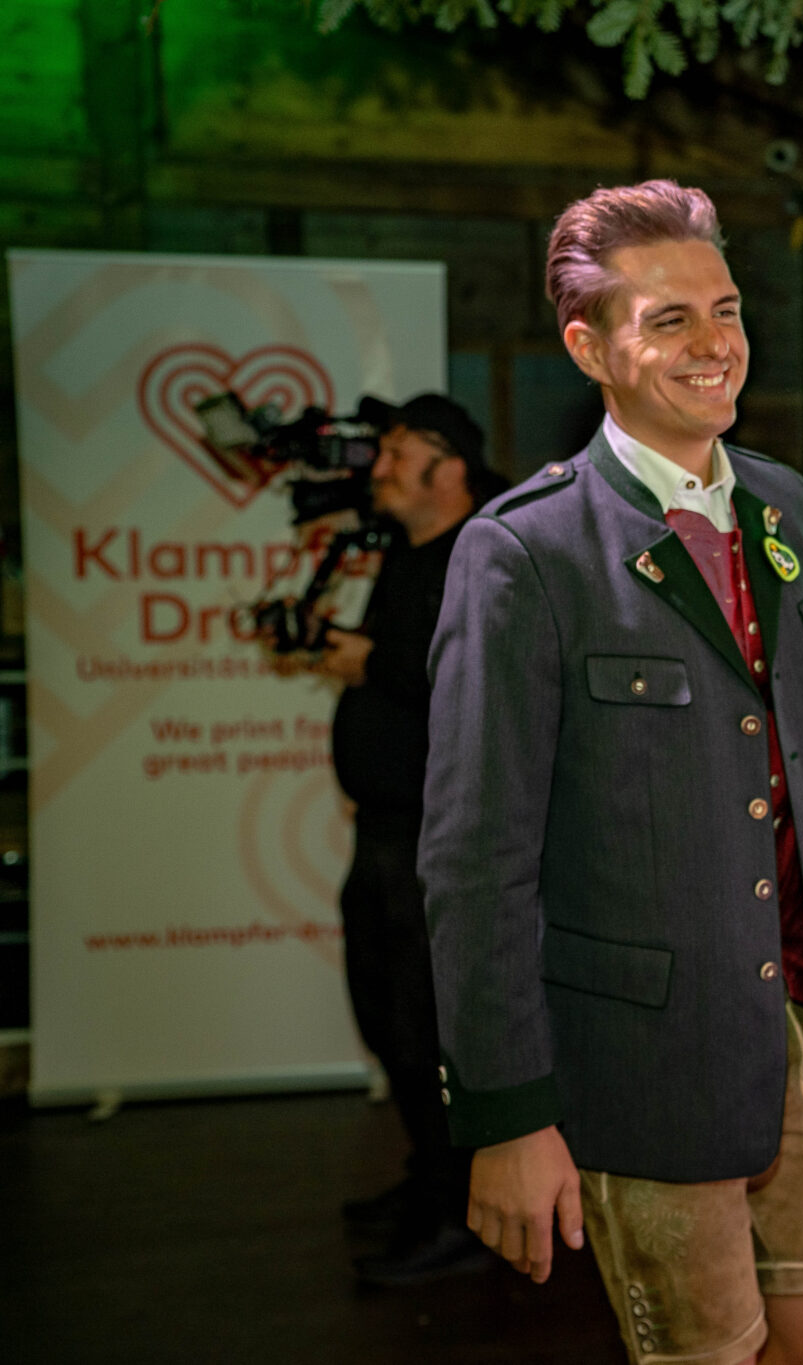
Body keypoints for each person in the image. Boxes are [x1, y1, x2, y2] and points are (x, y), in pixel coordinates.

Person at [421, 180, 803, 1365]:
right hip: (640, 1054)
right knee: (707, 1350)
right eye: (669, 320)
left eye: (725, 309)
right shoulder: (524, 552)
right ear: (588, 348)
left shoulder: (784, 503)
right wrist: (508, 1112)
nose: (714, 344)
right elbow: (474, 857)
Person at [317, 392, 507, 1285]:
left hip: (440, 840)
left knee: (431, 1028)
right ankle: (431, 1177)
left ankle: (466, 1209)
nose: (380, 467)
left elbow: (479, 680)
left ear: (449, 467)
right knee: (386, 1016)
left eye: (399, 452)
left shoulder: (487, 554)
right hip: (385, 829)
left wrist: (372, 662)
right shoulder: (405, 553)